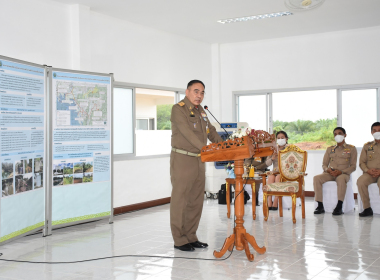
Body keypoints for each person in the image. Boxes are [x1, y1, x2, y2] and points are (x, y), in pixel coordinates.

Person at [170, 80, 223, 252]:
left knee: (195, 201)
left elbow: (211, 132)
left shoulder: (202, 111)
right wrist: (206, 148)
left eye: (202, 92)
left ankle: (191, 236)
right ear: (187, 92)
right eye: (196, 91)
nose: (199, 95)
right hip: (183, 159)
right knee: (181, 201)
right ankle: (179, 239)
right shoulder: (178, 109)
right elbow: (186, 133)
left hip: (199, 160)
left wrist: (224, 147)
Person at [313, 127, 357, 215]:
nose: (337, 135)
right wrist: (327, 169)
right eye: (335, 134)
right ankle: (320, 205)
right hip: (330, 173)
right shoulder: (330, 149)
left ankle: (339, 206)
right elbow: (324, 164)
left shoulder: (351, 148)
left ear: (345, 135)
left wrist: (341, 172)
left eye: (340, 133)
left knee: (341, 179)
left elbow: (353, 166)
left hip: (343, 173)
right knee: (316, 178)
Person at [357, 122, 380, 217]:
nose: (377, 132)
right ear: (371, 132)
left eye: (379, 130)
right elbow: (361, 162)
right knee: (360, 181)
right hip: (370, 173)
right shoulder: (367, 146)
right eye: (374, 130)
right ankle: (367, 208)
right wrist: (368, 170)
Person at [265, 131, 288, 210]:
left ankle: (276, 201)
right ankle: (269, 200)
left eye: (282, 138)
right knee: (271, 177)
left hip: (284, 172)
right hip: (274, 171)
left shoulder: (289, 149)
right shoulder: (273, 149)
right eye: (278, 138)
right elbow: (267, 163)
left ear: (286, 139)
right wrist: (272, 158)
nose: (280, 139)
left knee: (278, 178)